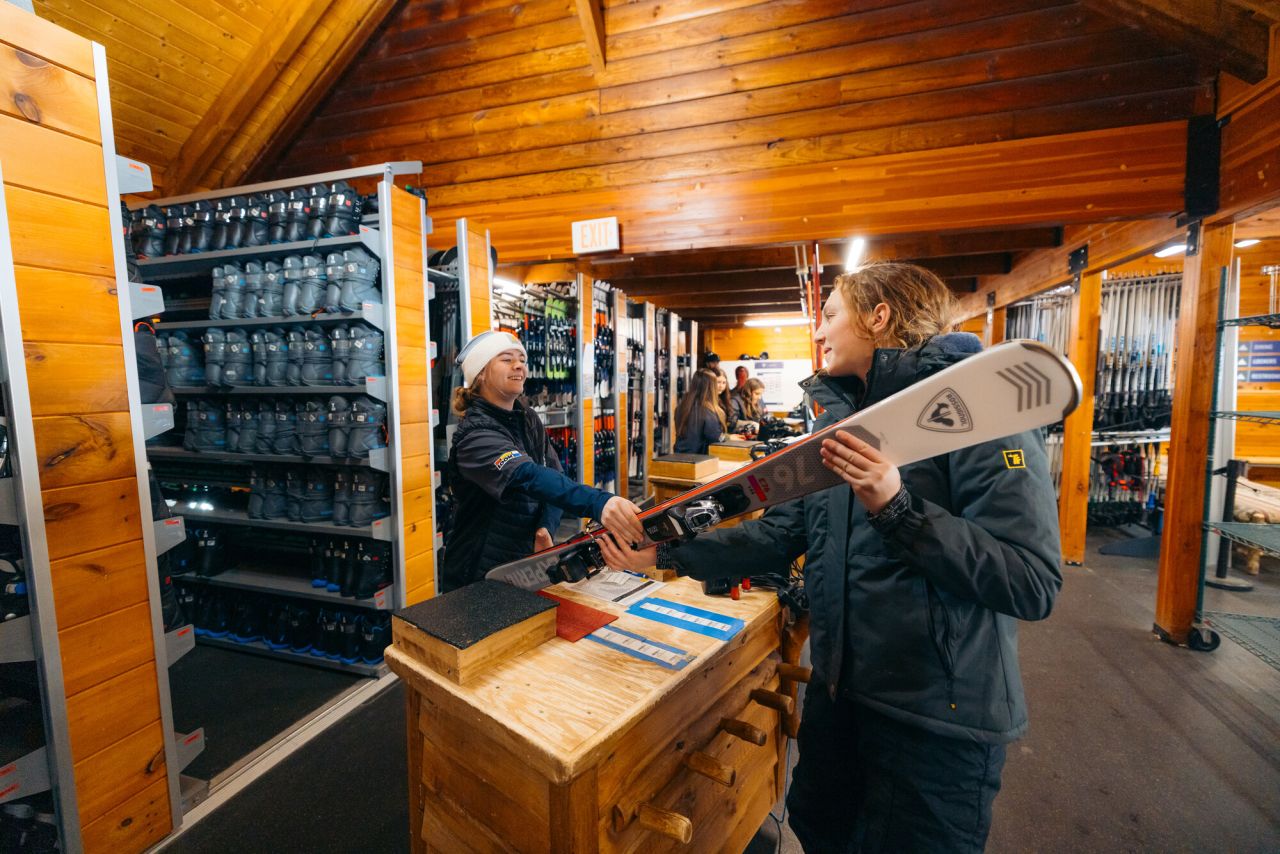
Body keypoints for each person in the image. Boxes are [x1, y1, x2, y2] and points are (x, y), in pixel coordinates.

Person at [599, 262, 1062, 853]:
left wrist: (897, 508)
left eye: (831, 314)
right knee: (821, 832)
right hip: (843, 695)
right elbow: (776, 535)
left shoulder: (978, 416)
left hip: (935, 723)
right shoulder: (838, 424)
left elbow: (1031, 582)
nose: (819, 332)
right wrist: (663, 553)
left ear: (879, 317)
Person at [442, 330, 644, 590]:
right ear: (480, 374)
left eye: (522, 360)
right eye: (506, 359)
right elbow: (528, 476)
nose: (518, 366)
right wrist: (599, 503)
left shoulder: (526, 418)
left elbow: (554, 473)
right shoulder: (475, 437)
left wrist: (546, 527)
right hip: (477, 574)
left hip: (521, 564)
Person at [674, 369, 731, 454]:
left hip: (680, 456)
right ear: (711, 387)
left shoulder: (682, 406)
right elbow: (715, 437)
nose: (719, 386)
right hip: (699, 459)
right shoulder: (707, 411)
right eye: (716, 383)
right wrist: (729, 437)